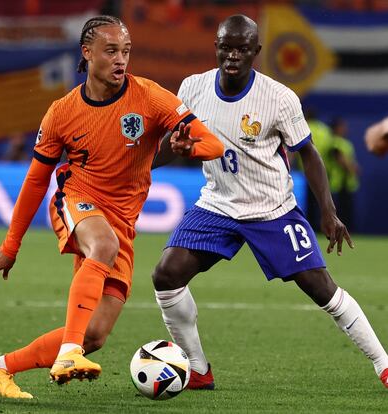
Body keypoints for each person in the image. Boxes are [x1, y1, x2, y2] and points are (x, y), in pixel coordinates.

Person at [0, 15, 224, 399]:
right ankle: (69, 354)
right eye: (111, 51)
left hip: (122, 221)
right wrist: (11, 246)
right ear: (87, 53)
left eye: (126, 51)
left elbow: (213, 143)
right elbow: (35, 180)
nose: (120, 59)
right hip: (75, 199)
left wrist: (192, 147)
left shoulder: (151, 97)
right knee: (102, 248)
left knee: (94, 334)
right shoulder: (61, 111)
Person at [151, 14, 388, 391]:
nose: (232, 56)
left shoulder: (278, 97)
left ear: (256, 52)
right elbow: (169, 144)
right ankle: (197, 368)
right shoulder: (192, 88)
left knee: (321, 288)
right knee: (166, 275)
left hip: (271, 209)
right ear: (215, 48)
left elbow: (308, 154)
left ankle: (384, 364)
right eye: (226, 48)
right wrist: (158, 157)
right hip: (217, 205)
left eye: (241, 49)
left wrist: (328, 211)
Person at [328, 117, 359, 231]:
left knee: (347, 211)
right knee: (338, 211)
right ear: (336, 128)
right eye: (342, 126)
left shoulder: (346, 143)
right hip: (338, 183)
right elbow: (339, 157)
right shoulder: (334, 141)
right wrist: (352, 168)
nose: (345, 129)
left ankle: (347, 231)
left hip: (347, 183)